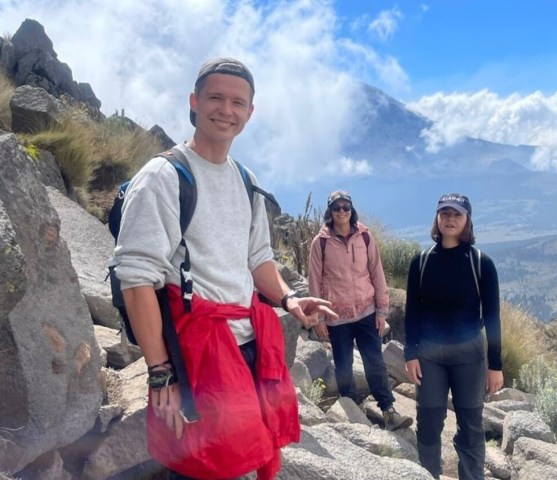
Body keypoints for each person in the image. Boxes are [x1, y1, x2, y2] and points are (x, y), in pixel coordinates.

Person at [113, 58, 337, 480]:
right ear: (194, 102)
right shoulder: (162, 177)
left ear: (250, 113)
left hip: (248, 344)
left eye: (238, 102)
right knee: (202, 463)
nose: (226, 110)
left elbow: (257, 260)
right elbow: (136, 277)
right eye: (216, 98)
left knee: (245, 453)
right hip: (196, 351)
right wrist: (162, 373)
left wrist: (288, 299)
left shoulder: (244, 178)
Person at [403, 193, 504, 480]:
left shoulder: (481, 263)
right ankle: (428, 475)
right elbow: (412, 312)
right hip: (429, 354)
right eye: (444, 213)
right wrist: (410, 353)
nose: (450, 219)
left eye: (457, 214)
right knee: (429, 421)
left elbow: (493, 317)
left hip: (470, 355)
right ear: (437, 218)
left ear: (467, 220)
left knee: (471, 424)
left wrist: (495, 365)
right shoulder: (420, 262)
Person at [308, 190, 413, 431]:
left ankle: (388, 411)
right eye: (337, 208)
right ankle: (354, 415)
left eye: (346, 207)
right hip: (336, 317)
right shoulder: (320, 243)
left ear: (351, 209)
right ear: (330, 212)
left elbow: (377, 272)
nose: (342, 211)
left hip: (367, 311)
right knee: (343, 366)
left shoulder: (365, 236)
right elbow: (314, 281)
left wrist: (381, 310)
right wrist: (318, 317)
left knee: (375, 362)